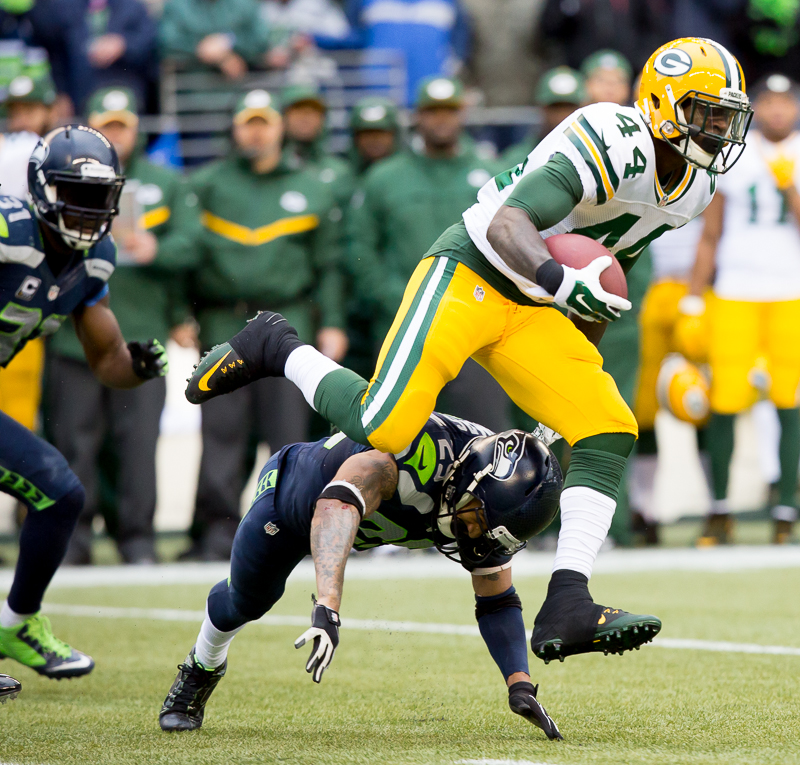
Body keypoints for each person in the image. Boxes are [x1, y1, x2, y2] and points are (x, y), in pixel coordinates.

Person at [188, 38, 752, 662]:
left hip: (535, 305)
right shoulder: (612, 136)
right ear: (664, 106)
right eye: (711, 112)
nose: (722, 129)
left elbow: (609, 269)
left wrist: (576, 352)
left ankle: (568, 600)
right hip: (475, 271)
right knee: (387, 424)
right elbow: (512, 223)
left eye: (728, 115)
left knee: (608, 425)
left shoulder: (694, 190)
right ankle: (275, 344)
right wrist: (563, 284)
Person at [159, 415, 572, 738]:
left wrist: (520, 686)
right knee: (246, 601)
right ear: (469, 481)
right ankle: (202, 666)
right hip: (295, 501)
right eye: (474, 520)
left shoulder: (488, 497)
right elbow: (336, 506)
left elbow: (497, 599)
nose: (474, 537)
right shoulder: (415, 450)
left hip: (354, 523)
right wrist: (327, 606)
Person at [0, 125, 168, 679]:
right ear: (44, 189)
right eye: (77, 194)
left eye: (99, 197)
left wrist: (136, 367)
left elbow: (106, 359)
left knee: (60, 493)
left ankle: (17, 622)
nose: (89, 210)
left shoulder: (94, 260)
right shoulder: (8, 231)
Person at [182, 88, 347, 561]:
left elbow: (328, 265)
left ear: (280, 128)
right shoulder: (208, 184)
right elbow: (188, 258)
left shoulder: (312, 185)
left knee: (289, 435)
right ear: (235, 129)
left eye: (264, 122)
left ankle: (292, 529)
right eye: (247, 122)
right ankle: (217, 532)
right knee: (221, 432)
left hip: (287, 322)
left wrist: (332, 321)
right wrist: (181, 314)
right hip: (223, 319)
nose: (256, 131)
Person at [46, 87, 198, 565]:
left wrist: (160, 252)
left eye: (122, 125)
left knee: (136, 447)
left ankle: (136, 539)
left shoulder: (165, 183)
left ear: (136, 129)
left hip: (141, 333)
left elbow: (192, 248)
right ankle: (72, 541)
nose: (115, 134)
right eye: (106, 125)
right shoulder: (62, 176)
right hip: (75, 335)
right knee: (74, 443)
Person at [347, 76, 511, 432]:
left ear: (462, 114)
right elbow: (360, 250)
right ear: (417, 116)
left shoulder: (489, 173)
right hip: (403, 327)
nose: (441, 120)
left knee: (484, 440)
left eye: (449, 111)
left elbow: (510, 243)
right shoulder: (384, 177)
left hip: (475, 331)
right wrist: (396, 299)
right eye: (432, 111)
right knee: (398, 441)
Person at [682, 73, 800, 546]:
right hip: (734, 288)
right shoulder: (737, 149)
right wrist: (694, 293)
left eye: (783, 103)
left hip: (789, 289)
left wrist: (789, 185)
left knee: (788, 399)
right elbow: (711, 232)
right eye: (767, 103)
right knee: (725, 399)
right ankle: (720, 507)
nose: (775, 112)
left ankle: (785, 508)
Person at [0, 70, 56, 435]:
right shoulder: (14, 148)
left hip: (49, 284)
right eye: (15, 110)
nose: (21, 119)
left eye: (30, 109)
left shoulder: (54, 150)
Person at [281, 83, 354, 210]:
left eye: (313, 112)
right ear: (282, 117)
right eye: (298, 111)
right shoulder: (267, 167)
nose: (305, 118)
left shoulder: (339, 172)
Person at [502, 66, 585, 174]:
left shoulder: (598, 160)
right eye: (555, 107)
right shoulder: (518, 160)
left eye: (569, 108)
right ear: (542, 108)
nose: (562, 116)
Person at [160, 0, 271, 80]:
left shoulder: (245, 4)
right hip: (190, 94)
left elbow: (261, 40)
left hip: (240, 89)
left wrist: (228, 41)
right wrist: (200, 48)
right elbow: (167, 42)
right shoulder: (177, 6)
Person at [86, 0, 159, 110]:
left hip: (127, 84)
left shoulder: (134, 7)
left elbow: (150, 42)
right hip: (85, 87)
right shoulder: (71, 5)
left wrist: (123, 45)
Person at [348, 95, 400, 176]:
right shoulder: (342, 174)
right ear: (355, 137)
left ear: (394, 134)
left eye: (381, 132)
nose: (375, 139)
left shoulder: (409, 172)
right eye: (367, 132)